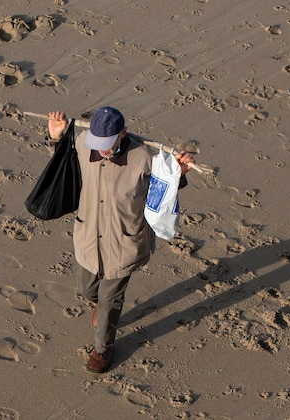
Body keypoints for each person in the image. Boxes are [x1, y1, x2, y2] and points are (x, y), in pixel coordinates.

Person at [46, 107, 195, 373]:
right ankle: (98, 304)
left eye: (107, 143)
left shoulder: (145, 158)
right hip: (88, 237)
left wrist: (179, 174)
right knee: (87, 290)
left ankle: (103, 349)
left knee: (110, 301)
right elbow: (63, 172)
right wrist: (56, 139)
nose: (101, 150)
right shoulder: (81, 143)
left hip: (123, 244)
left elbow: (165, 190)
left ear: (122, 133)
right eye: (97, 143)